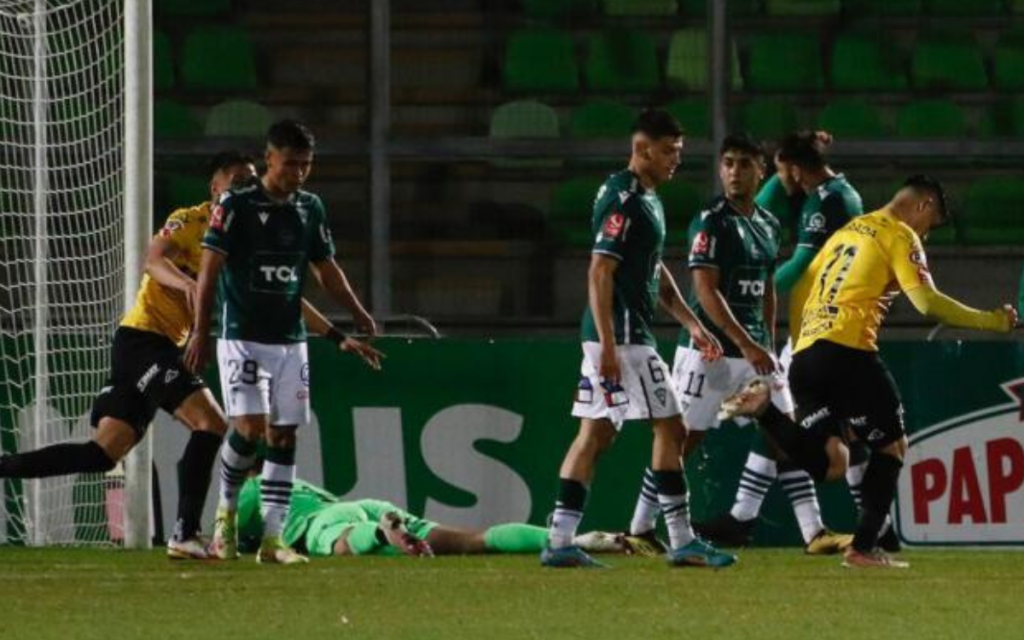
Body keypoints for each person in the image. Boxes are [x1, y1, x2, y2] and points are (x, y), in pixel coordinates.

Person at [722, 175, 1018, 568]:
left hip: (807, 352)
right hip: (849, 350)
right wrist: (991, 321)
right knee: (892, 446)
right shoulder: (899, 234)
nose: (925, 237)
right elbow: (927, 303)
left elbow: (801, 288)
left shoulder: (846, 232)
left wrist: (800, 346)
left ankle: (764, 410)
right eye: (930, 226)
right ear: (923, 206)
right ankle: (864, 547)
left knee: (832, 461)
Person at [0, 152, 252, 559]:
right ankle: (186, 532)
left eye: (250, 180)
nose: (245, 185)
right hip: (143, 339)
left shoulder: (242, 236)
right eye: (237, 178)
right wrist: (186, 286)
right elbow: (154, 261)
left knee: (101, 453)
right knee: (210, 423)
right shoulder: (190, 220)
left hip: (155, 346)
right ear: (215, 187)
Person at [540, 109, 734, 569]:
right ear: (641, 149)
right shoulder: (624, 200)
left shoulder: (645, 199)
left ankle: (560, 540)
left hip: (616, 336)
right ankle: (683, 540)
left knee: (595, 434)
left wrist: (690, 322)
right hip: (624, 338)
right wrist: (608, 345)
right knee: (671, 427)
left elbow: (654, 272)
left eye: (679, 152)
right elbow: (599, 269)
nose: (675, 161)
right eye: (668, 151)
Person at [185, 120, 377, 565]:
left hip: (291, 341)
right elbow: (210, 270)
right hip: (242, 337)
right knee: (249, 429)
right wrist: (200, 330)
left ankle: (274, 539)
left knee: (285, 434)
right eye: (291, 163)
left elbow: (325, 270)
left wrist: (357, 311)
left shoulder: (311, 208)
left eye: (306, 165)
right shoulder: (235, 205)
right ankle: (226, 515)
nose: (299, 173)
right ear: (269, 159)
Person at [625, 133, 824, 549]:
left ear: (760, 171)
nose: (735, 171)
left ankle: (814, 532)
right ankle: (640, 527)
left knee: (783, 432)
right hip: (709, 353)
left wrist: (766, 343)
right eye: (728, 163)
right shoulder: (711, 220)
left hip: (754, 352)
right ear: (720, 169)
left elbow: (768, 287)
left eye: (744, 164)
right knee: (683, 440)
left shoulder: (768, 224)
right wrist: (745, 343)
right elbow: (705, 290)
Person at [696, 131, 863, 553]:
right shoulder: (831, 193)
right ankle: (785, 525)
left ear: (789, 166)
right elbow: (765, 201)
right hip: (818, 329)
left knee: (807, 432)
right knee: (781, 424)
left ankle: (868, 524)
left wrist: (762, 281)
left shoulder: (829, 203)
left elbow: (802, 267)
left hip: (825, 332)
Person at [234, 474, 626, 558]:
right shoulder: (291, 478)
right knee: (474, 540)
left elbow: (238, 540)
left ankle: (381, 532)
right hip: (362, 502)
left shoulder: (250, 489)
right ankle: (573, 540)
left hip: (325, 522)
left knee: (339, 545)